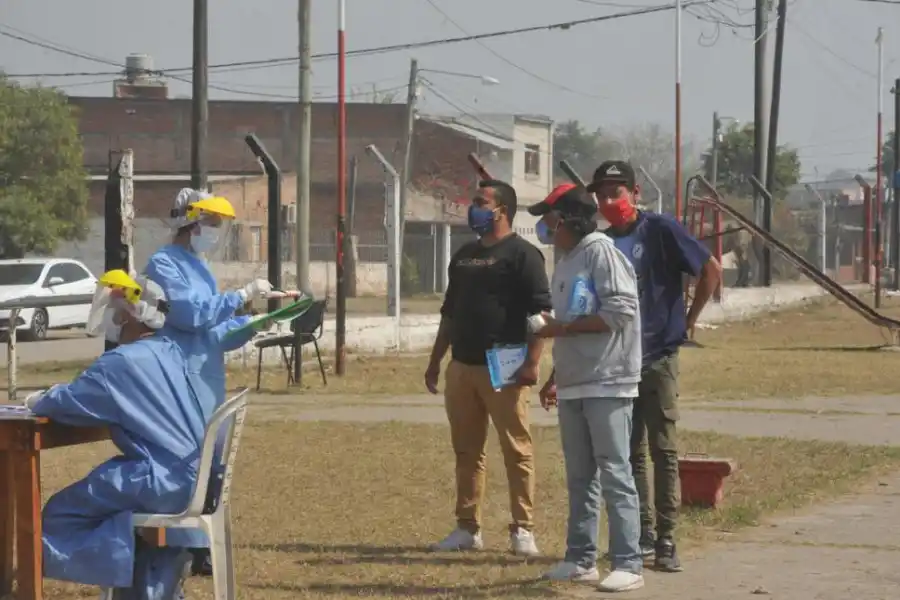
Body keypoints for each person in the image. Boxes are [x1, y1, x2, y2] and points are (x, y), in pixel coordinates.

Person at [26, 270, 218, 600]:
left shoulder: (120, 363)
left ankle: (117, 574)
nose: (112, 317)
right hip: (195, 478)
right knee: (112, 506)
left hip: (157, 479)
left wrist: (37, 398)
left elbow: (68, 402)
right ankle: (142, 582)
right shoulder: (172, 351)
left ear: (130, 313)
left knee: (60, 514)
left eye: (116, 310)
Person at [589, 160, 722, 572]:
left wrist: (689, 319)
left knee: (663, 450)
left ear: (635, 194)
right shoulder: (602, 244)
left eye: (618, 192)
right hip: (618, 362)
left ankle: (666, 539)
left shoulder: (660, 230)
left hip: (658, 357)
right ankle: (641, 534)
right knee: (628, 453)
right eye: (603, 194)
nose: (610, 201)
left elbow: (710, 269)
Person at [144, 188, 271, 575]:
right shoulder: (163, 263)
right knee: (185, 463)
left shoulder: (199, 267)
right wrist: (241, 295)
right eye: (212, 224)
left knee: (211, 465)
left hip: (208, 377)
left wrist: (252, 325)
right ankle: (184, 547)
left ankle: (202, 548)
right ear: (192, 223)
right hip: (180, 377)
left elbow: (213, 331)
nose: (216, 232)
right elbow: (189, 315)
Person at [424, 179, 552, 556]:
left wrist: (532, 362)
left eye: (481, 202)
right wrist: (435, 361)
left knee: (516, 450)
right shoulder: (463, 255)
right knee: (467, 450)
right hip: (462, 365)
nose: (473, 208)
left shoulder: (524, 255)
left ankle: (523, 529)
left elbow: (541, 314)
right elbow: (449, 313)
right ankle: (467, 528)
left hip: (505, 364)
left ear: (503, 211)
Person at [527, 184, 645, 593]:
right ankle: (580, 558)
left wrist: (561, 327)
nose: (544, 226)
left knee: (614, 469)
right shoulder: (565, 259)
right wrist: (556, 374)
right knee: (580, 476)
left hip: (608, 379)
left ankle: (629, 561)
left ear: (568, 219)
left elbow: (620, 312)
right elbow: (573, 318)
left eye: (549, 218)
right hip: (576, 381)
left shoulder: (601, 252)